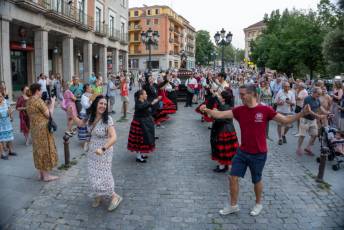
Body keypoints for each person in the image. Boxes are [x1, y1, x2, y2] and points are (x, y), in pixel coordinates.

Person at [201, 84, 311, 216]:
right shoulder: (239, 110)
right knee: (232, 177)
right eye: (240, 94)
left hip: (259, 153)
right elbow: (219, 114)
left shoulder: (265, 110)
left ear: (252, 94)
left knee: (256, 179)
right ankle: (233, 205)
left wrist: (301, 113)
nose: (240, 97)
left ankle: (258, 204)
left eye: (243, 94)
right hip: (242, 152)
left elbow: (285, 120)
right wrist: (206, 110)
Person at [70, 95, 121, 211]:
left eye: (105, 104)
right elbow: (80, 124)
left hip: (104, 151)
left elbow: (113, 138)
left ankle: (114, 196)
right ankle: (98, 195)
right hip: (92, 151)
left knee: (104, 175)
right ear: (95, 104)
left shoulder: (108, 120)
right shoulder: (90, 117)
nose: (103, 106)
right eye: (101, 103)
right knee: (93, 175)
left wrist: (102, 149)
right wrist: (72, 114)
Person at [26, 83, 58, 181]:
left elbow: (38, 113)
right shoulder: (38, 101)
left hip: (34, 129)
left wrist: (47, 105)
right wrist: (53, 103)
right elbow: (49, 115)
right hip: (43, 129)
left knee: (38, 150)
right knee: (45, 150)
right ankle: (46, 176)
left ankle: (41, 174)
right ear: (37, 90)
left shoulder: (29, 101)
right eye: (40, 90)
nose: (41, 92)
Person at [127, 90, 161, 163]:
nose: (146, 95)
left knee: (145, 139)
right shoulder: (138, 103)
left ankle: (141, 154)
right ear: (140, 96)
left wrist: (154, 102)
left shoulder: (144, 101)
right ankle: (138, 157)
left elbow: (147, 107)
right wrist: (152, 103)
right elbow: (142, 107)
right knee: (139, 141)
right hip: (139, 124)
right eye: (145, 94)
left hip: (144, 122)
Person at [210, 90, 239, 173]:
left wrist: (213, 115)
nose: (218, 96)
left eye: (220, 96)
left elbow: (219, 119)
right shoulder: (226, 105)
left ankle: (222, 166)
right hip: (229, 129)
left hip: (224, 130)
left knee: (223, 149)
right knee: (228, 149)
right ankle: (225, 165)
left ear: (223, 99)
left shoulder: (223, 107)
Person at [296, 87, 329, 156]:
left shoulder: (317, 99)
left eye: (320, 94)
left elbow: (320, 107)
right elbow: (309, 110)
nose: (319, 95)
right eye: (318, 94)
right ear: (314, 92)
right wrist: (319, 116)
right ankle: (299, 148)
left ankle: (308, 148)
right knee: (302, 135)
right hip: (305, 119)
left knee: (315, 134)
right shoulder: (308, 99)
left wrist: (327, 113)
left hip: (312, 119)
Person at [0, 94, 16, 160]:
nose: (0, 98)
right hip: (0, 124)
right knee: (0, 139)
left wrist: (11, 116)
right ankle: (2, 153)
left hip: (7, 122)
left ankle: (10, 151)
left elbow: (9, 110)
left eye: (1, 96)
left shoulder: (6, 102)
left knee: (9, 137)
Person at [78, 84, 93, 148]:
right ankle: (83, 143)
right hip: (84, 114)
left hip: (89, 114)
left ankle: (88, 142)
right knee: (83, 129)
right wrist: (91, 102)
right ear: (86, 89)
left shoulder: (91, 95)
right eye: (90, 87)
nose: (91, 88)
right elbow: (86, 106)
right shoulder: (83, 96)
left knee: (89, 128)